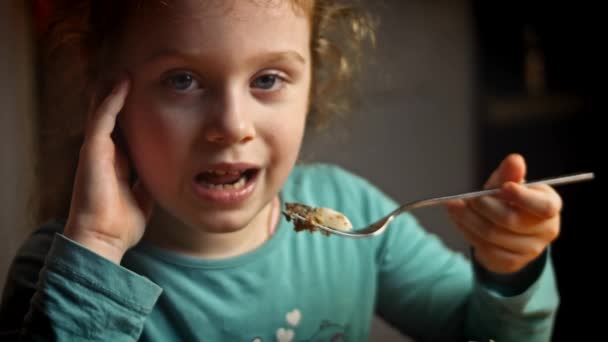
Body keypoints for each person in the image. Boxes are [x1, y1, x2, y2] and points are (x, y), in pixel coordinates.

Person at [0, 0, 562, 341]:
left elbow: (487, 335)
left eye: (267, 79)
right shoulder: (62, 273)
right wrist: (97, 244)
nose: (231, 125)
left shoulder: (356, 219)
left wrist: (510, 268)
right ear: (107, 92)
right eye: (182, 80)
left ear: (315, 79)